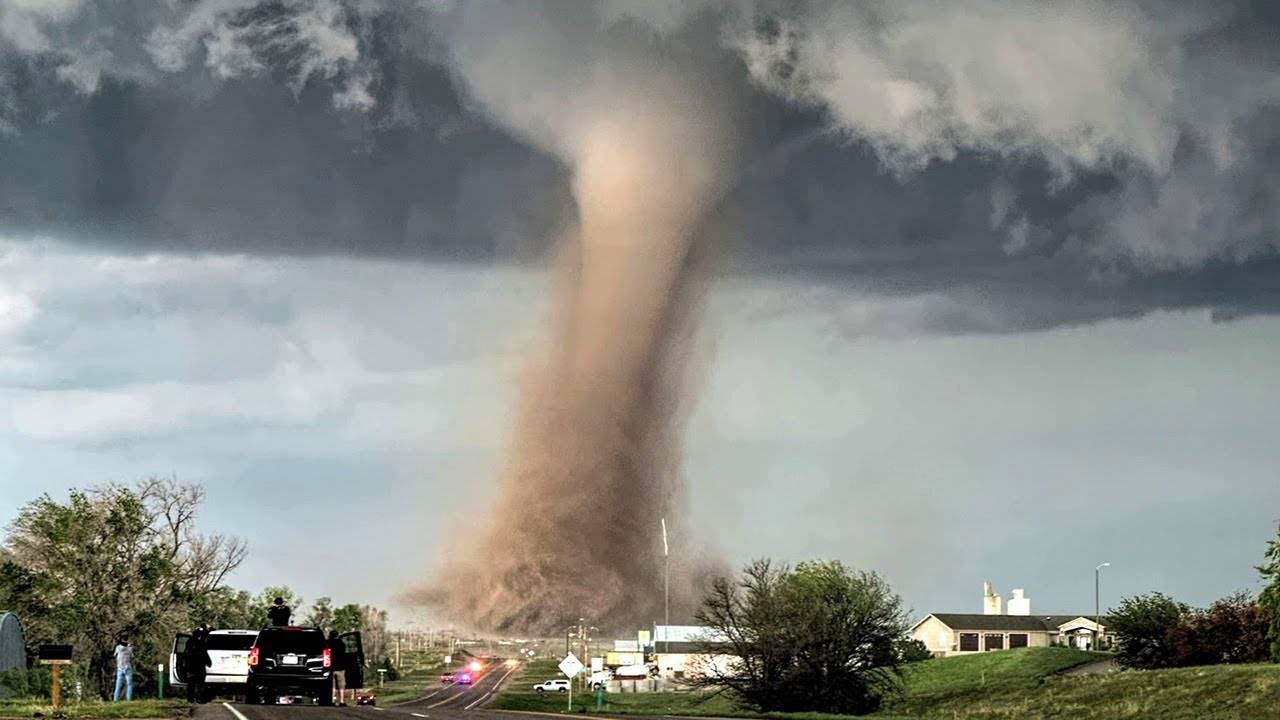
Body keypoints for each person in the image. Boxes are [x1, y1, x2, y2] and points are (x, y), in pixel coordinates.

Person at [185, 624, 212, 703]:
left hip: (191, 667)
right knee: (199, 684)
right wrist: (209, 663)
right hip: (199, 667)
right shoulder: (201, 644)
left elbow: (186, 654)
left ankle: (190, 698)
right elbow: (205, 654)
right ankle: (198, 698)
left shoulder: (189, 642)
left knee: (191, 684)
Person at [328, 631, 348, 706]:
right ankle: (342, 701)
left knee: (332, 685)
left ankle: (332, 700)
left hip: (330, 667)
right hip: (341, 667)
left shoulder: (328, 643)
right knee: (341, 685)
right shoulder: (341, 643)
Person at [112, 637, 134, 701]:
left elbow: (115, 655)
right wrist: (130, 646)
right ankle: (128, 699)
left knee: (118, 684)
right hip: (127, 668)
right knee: (129, 684)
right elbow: (132, 656)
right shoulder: (129, 648)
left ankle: (115, 699)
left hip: (120, 668)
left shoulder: (118, 648)